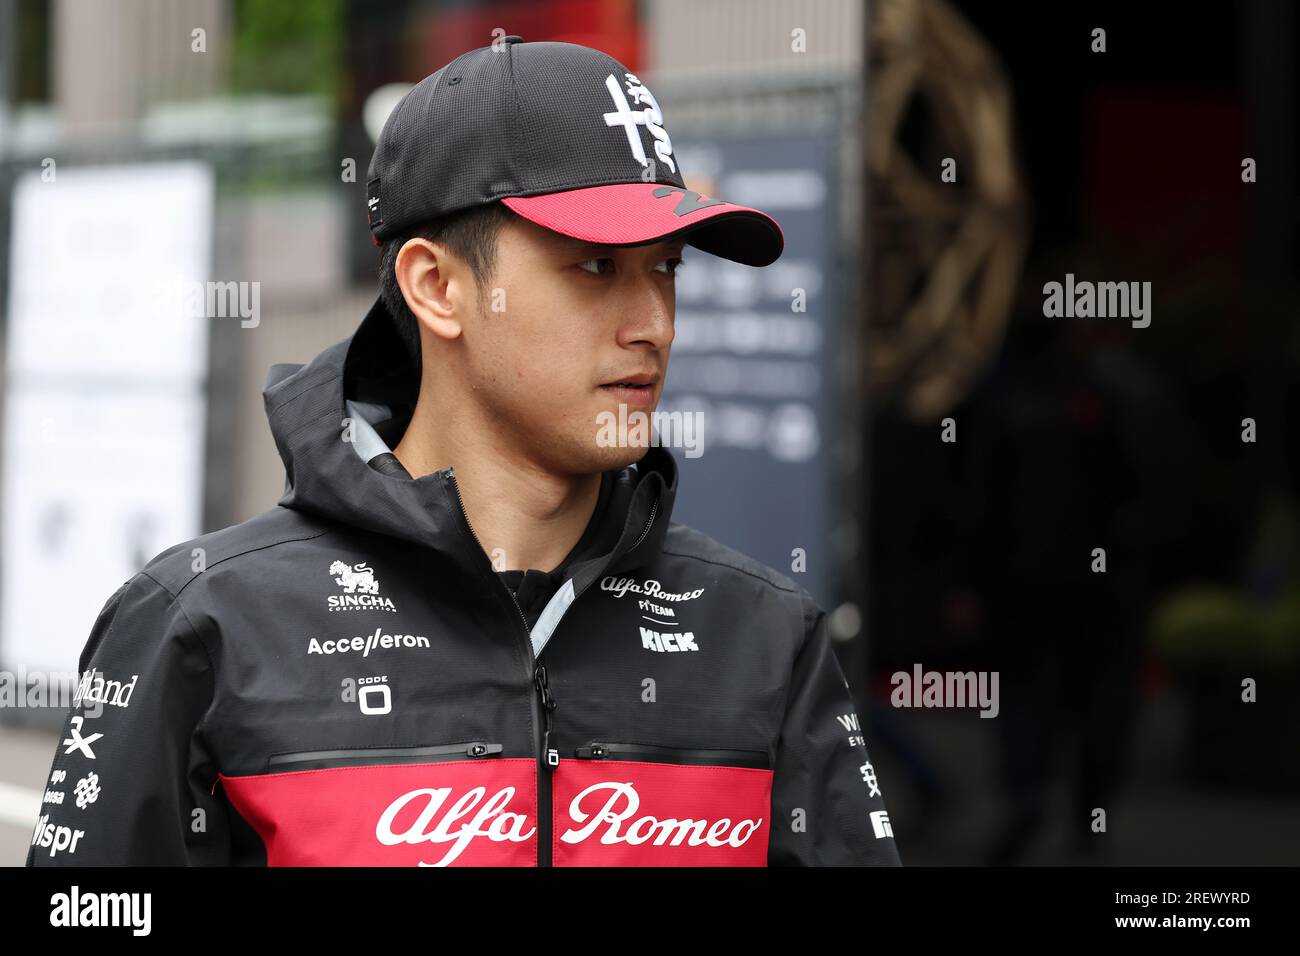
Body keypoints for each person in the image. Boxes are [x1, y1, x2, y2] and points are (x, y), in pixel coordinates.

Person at [27, 36, 900, 867]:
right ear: (437, 286)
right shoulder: (201, 626)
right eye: (597, 267)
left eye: (666, 268)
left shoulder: (765, 636)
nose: (655, 326)